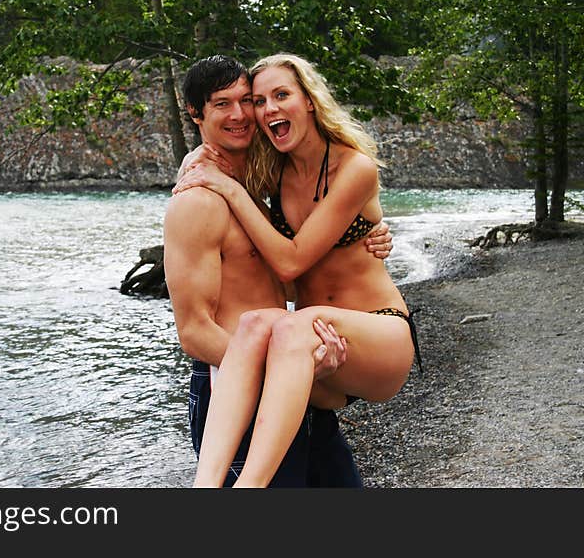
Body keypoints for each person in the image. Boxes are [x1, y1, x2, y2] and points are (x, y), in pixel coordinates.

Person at [173, 53, 422, 488]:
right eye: (259, 100)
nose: (261, 110)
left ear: (310, 100)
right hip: (302, 358)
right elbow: (202, 324)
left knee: (282, 327)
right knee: (259, 323)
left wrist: (225, 184)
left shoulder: (347, 167)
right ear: (198, 114)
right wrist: (197, 162)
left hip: (369, 333)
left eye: (278, 96)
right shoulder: (269, 171)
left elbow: (288, 261)